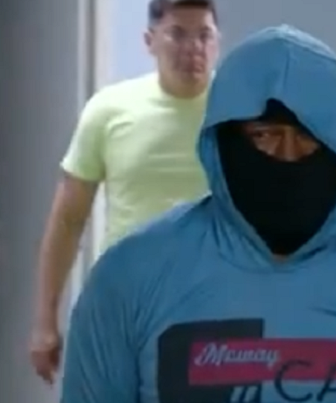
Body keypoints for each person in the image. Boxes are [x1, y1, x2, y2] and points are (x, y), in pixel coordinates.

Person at [60, 25, 336, 403]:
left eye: (309, 135)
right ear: (224, 141)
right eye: (264, 135)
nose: (288, 156)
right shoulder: (131, 276)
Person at [29, 0, 220, 384]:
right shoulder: (109, 110)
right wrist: (45, 320)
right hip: (123, 304)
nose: (193, 48)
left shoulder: (240, 114)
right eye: (178, 34)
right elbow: (68, 219)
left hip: (212, 305)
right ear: (150, 41)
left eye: (204, 35)